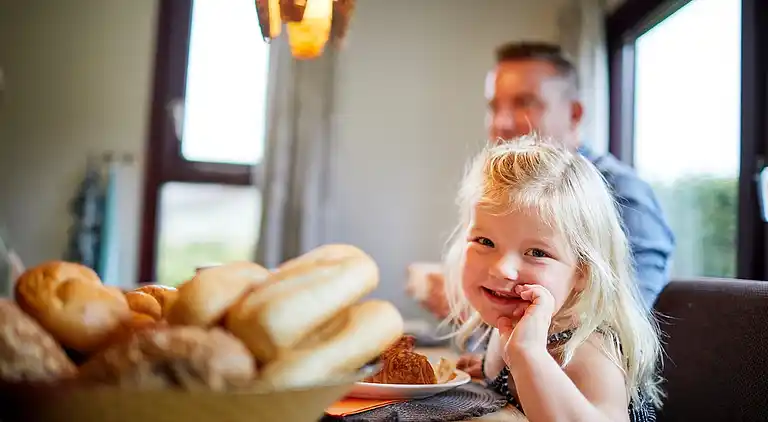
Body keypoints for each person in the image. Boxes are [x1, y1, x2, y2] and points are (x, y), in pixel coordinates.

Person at [410, 42, 674, 376]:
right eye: (494, 106)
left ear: (574, 114)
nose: (502, 123)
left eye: (525, 103)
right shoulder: (507, 193)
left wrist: (461, 306)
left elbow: (621, 326)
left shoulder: (623, 195)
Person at [445, 137, 662, 421]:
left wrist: (529, 355)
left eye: (537, 252)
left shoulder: (587, 350)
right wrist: (488, 371)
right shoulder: (513, 322)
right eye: (485, 241)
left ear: (582, 272)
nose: (502, 270)